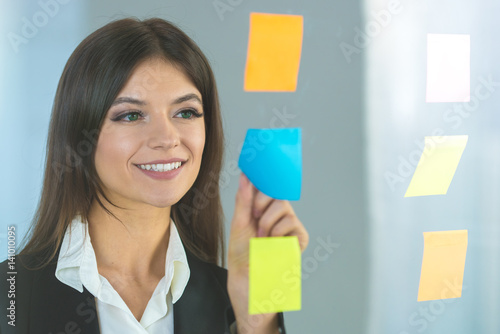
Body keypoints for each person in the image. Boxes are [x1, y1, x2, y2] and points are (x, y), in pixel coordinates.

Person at [0, 17, 309, 334]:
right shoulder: (9, 295)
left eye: (185, 112)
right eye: (131, 115)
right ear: (80, 135)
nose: (167, 137)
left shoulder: (231, 298)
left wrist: (256, 322)